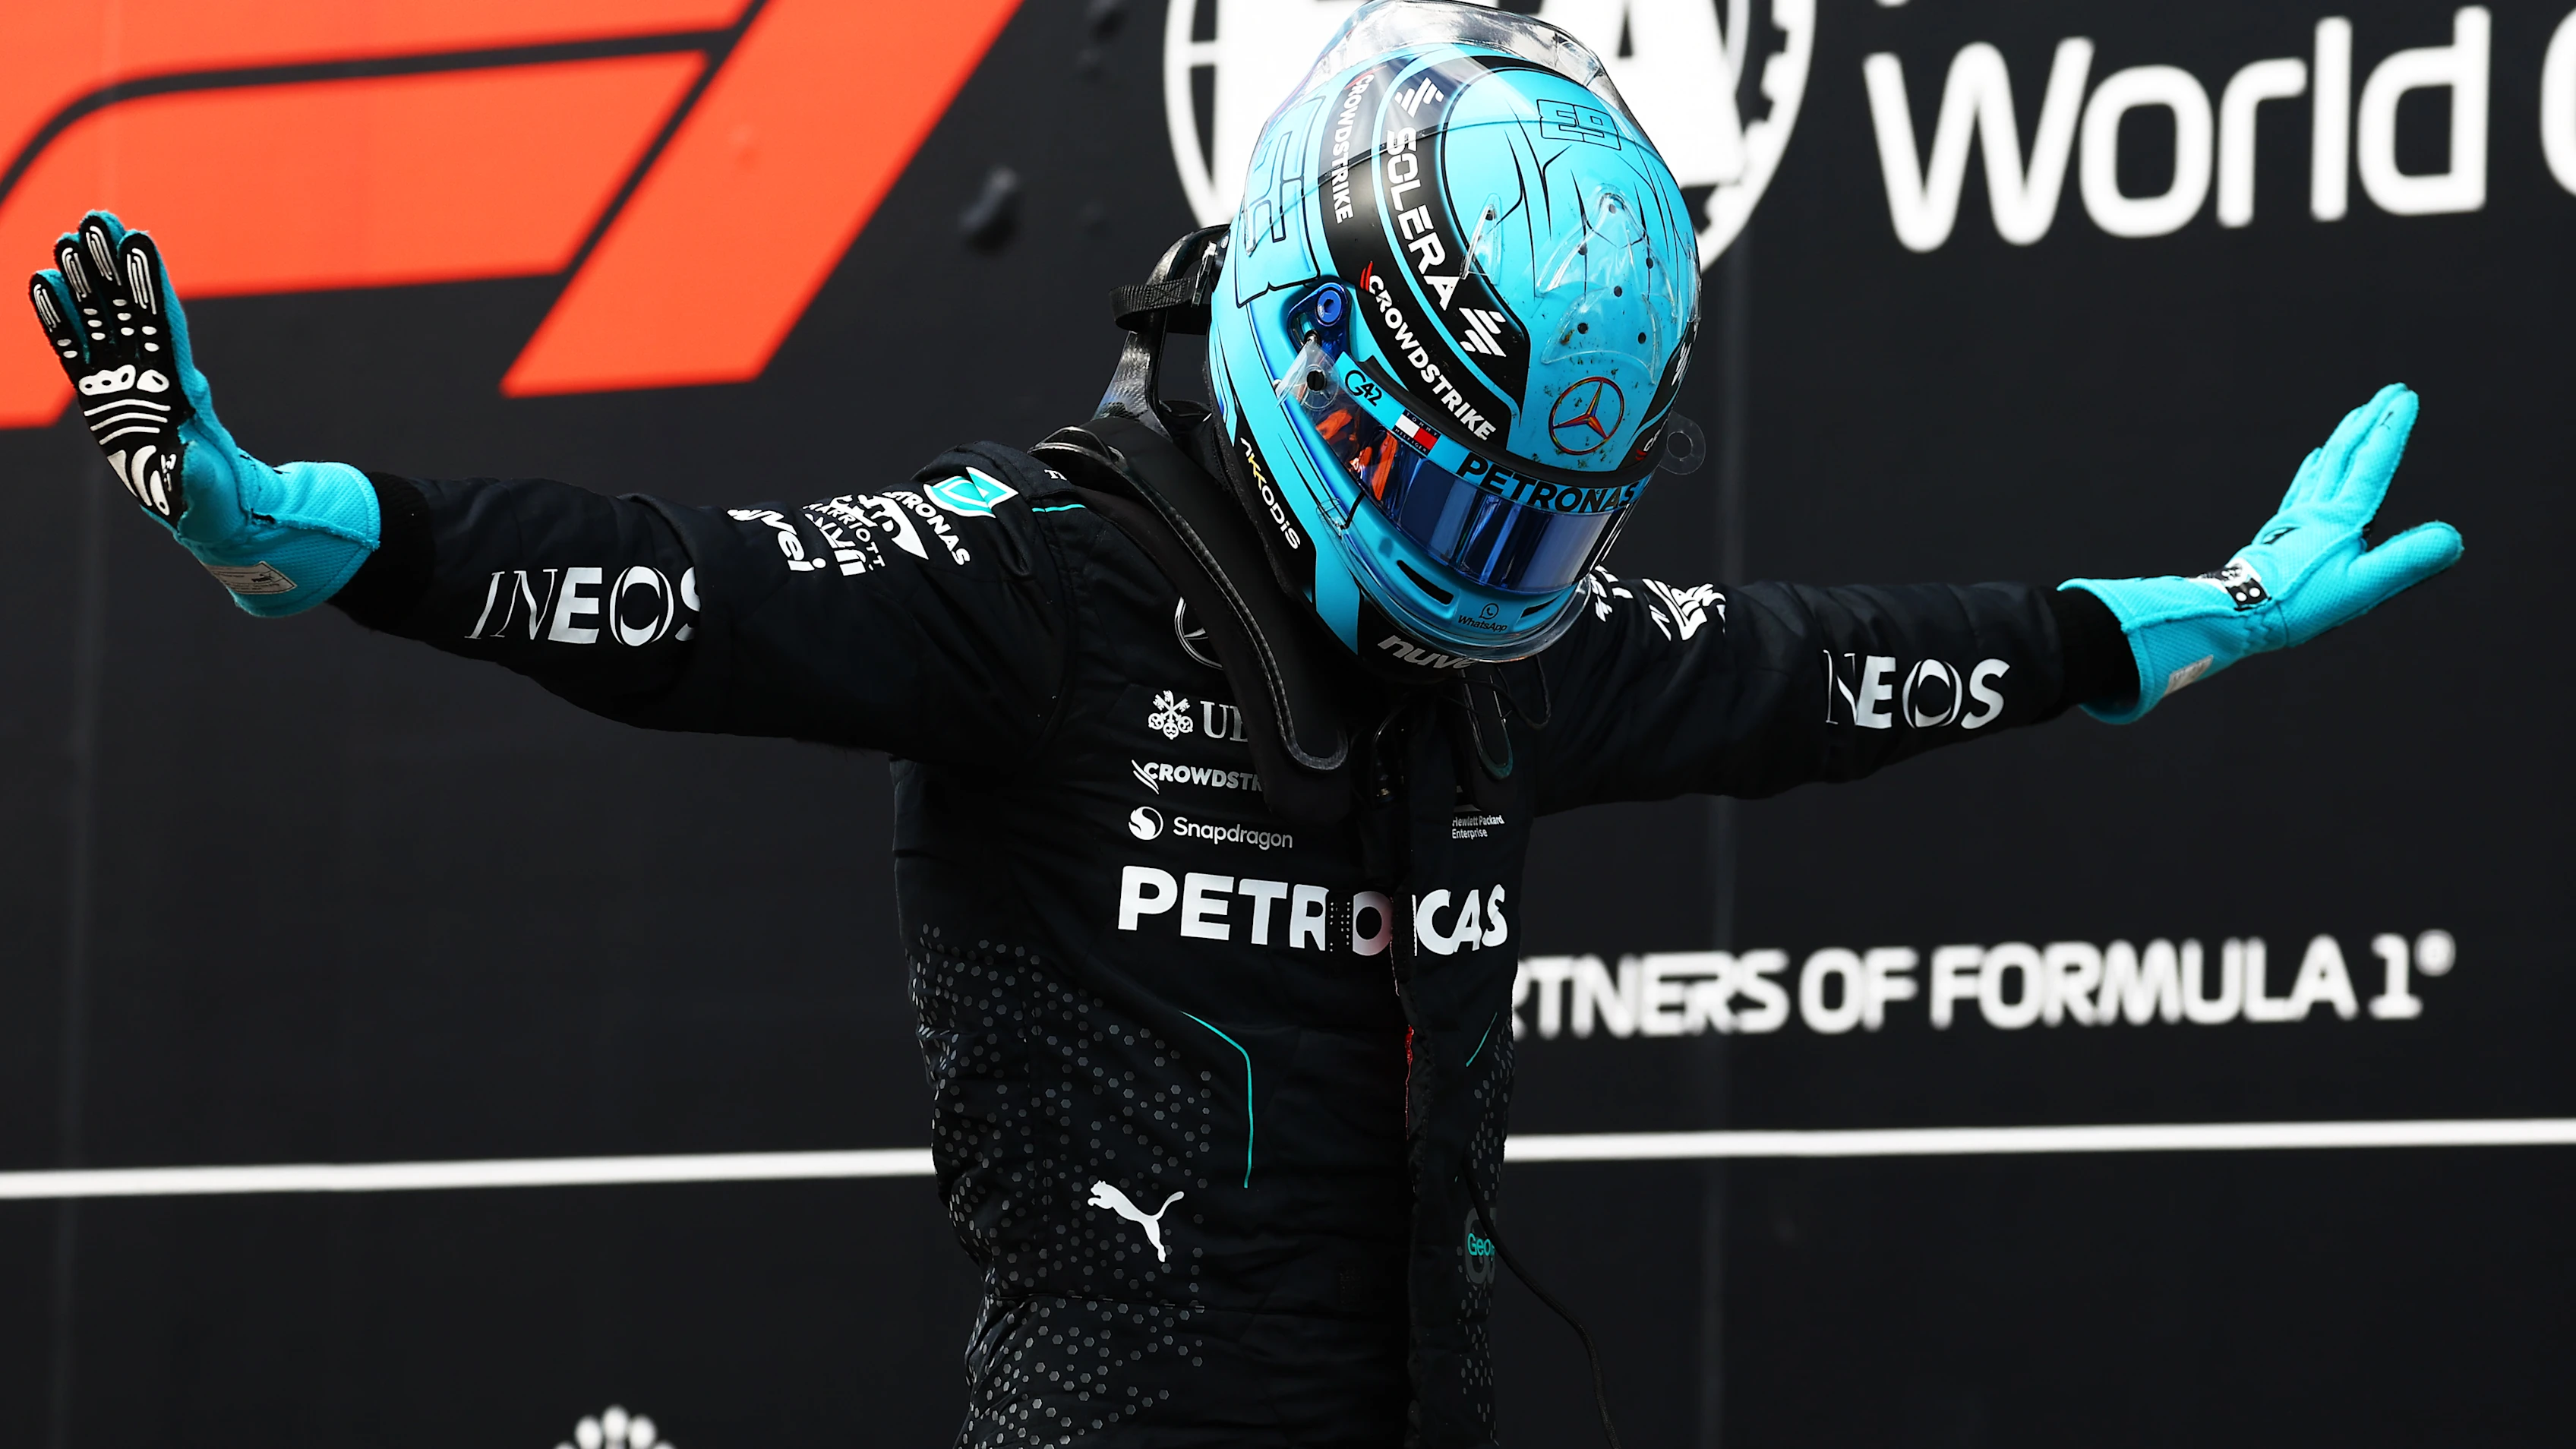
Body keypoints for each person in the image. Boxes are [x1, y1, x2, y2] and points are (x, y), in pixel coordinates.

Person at [25, 3, 2461, 1445]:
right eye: (1452, 487)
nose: (1489, 565)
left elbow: (1834, 664)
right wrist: (295, 525)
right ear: (1308, 338)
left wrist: (2199, 618)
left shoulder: (1513, 659)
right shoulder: (1041, 580)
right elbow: (679, 589)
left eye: (1541, 521)